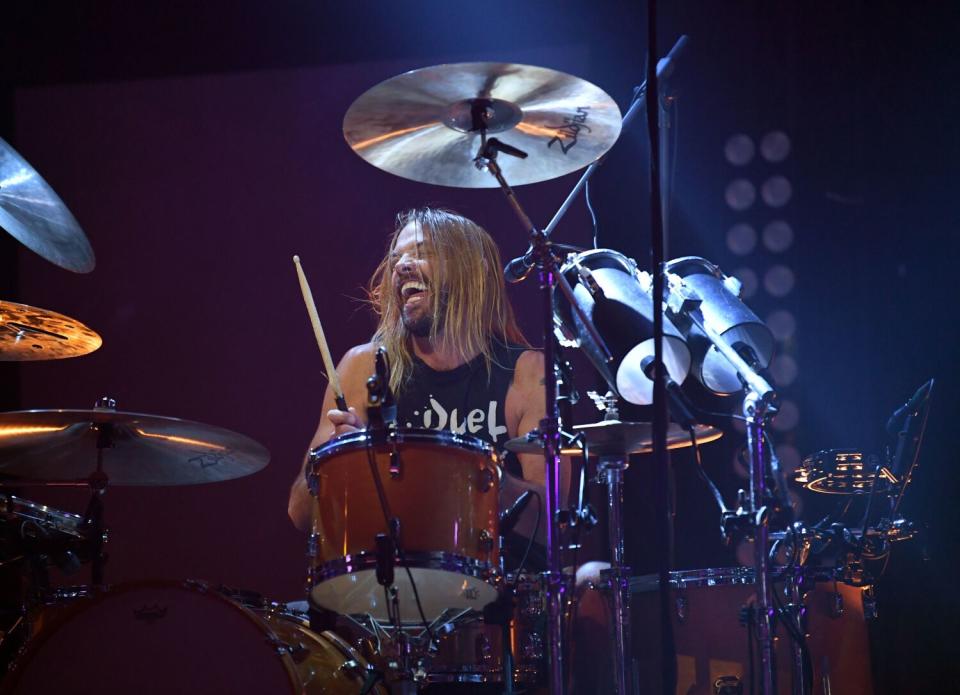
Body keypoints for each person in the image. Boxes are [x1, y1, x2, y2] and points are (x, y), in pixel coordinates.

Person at [288, 206, 552, 536]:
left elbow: (550, 522)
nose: (401, 265)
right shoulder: (364, 366)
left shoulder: (527, 373)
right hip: (388, 580)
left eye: (422, 253)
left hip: (499, 579)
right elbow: (300, 514)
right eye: (396, 257)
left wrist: (465, 470)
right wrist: (338, 462)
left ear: (474, 271)